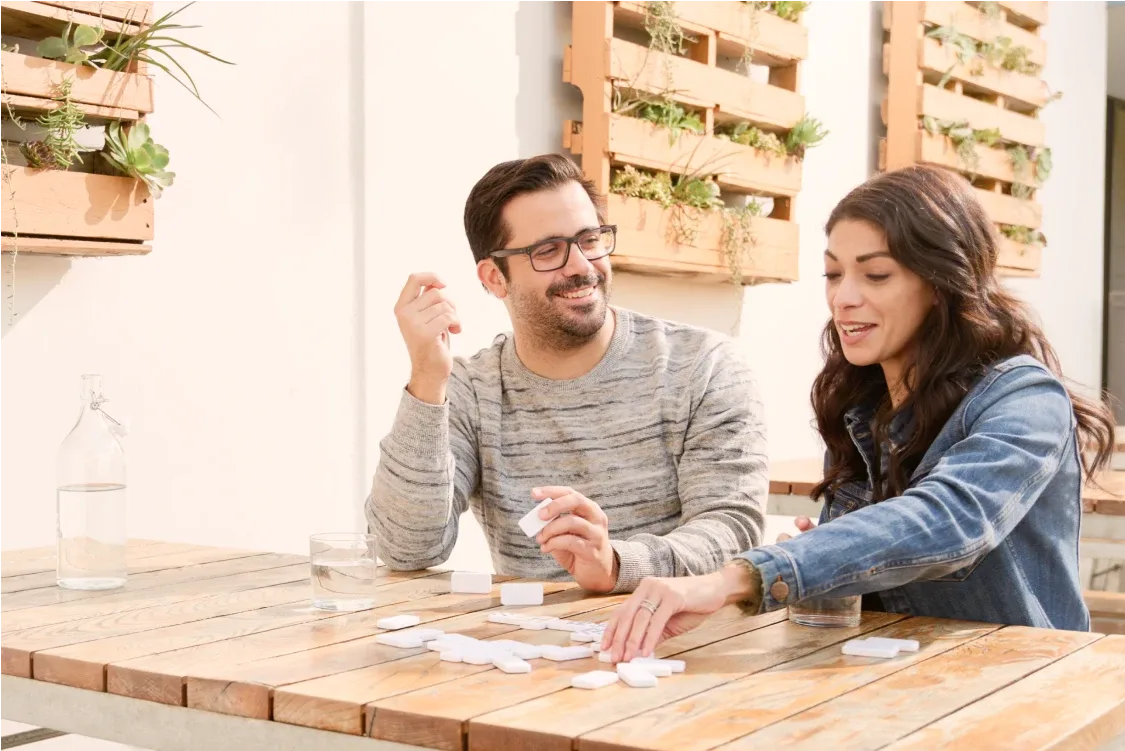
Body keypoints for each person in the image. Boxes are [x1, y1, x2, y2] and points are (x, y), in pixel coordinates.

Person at [601, 164, 1117, 660]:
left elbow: (948, 521)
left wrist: (741, 576)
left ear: (940, 284)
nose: (842, 298)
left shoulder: (1025, 399)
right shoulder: (860, 406)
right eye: (832, 273)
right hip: (901, 685)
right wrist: (828, 560)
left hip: (1023, 696)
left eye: (874, 274)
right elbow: (884, 567)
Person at [366, 153, 769, 594]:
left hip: (681, 648)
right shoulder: (474, 389)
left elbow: (733, 531)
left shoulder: (704, 366)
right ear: (495, 278)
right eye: (548, 251)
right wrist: (427, 377)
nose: (580, 265)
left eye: (590, 239)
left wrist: (617, 564)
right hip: (529, 650)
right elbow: (405, 548)